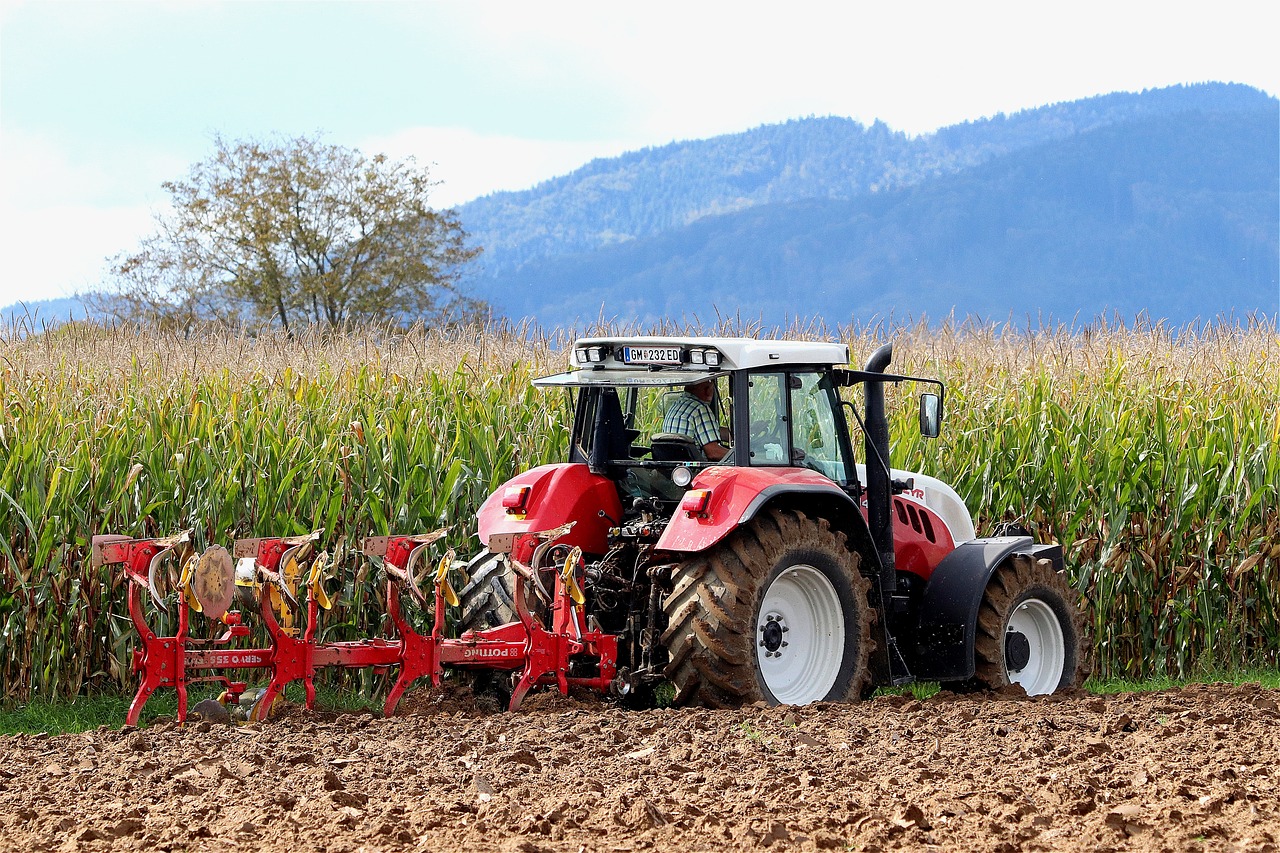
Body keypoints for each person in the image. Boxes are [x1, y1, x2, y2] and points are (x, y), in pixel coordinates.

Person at [662, 379, 730, 461]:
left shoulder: (677, 405)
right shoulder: (700, 408)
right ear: (708, 391)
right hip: (695, 467)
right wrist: (738, 455)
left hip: (675, 466)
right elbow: (713, 453)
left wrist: (736, 435)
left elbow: (709, 431)